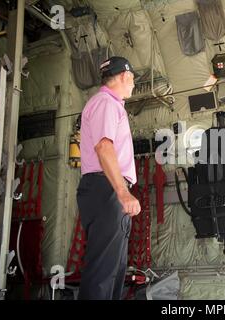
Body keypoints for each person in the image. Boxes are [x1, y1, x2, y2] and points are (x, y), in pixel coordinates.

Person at [76, 56, 141, 300]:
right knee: (103, 273)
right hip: (107, 189)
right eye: (133, 79)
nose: (133, 85)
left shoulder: (110, 105)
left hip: (107, 189)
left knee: (114, 271)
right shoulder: (106, 103)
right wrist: (122, 192)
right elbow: (104, 147)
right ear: (125, 76)